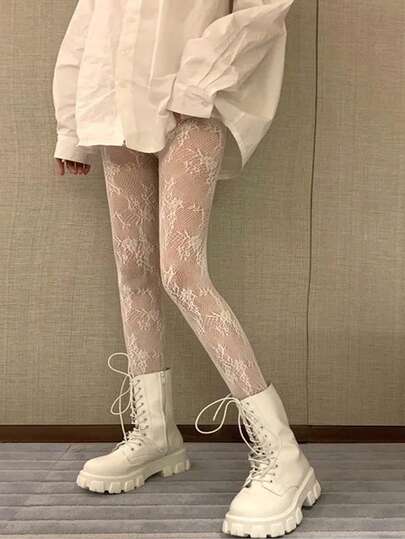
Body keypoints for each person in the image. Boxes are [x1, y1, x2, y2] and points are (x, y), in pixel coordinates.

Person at [52, 1, 321, 537]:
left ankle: (285, 455)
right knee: (134, 271)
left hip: (193, 100)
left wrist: (199, 79)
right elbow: (91, 19)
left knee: (181, 272)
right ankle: (154, 434)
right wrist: (70, 127)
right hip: (114, 101)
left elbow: (263, 9)